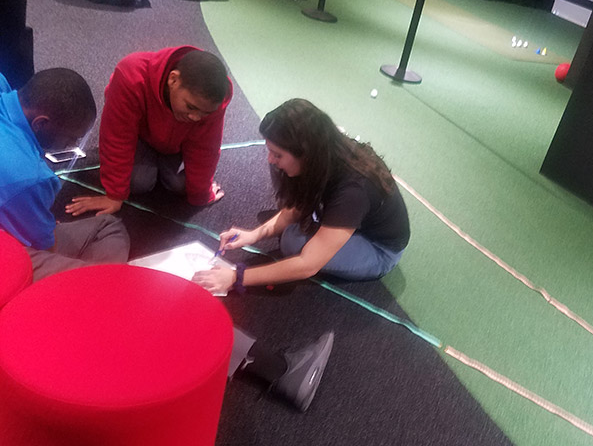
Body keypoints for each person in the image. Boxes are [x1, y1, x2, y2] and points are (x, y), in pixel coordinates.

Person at [191, 98, 410, 294]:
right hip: (353, 218)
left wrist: (236, 277)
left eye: (277, 153)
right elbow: (295, 207)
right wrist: (254, 235)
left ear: (306, 153)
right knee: (282, 174)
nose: (269, 159)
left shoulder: (354, 189)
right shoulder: (323, 155)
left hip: (379, 249)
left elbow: (308, 264)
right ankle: (322, 224)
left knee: (293, 241)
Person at [64, 46, 232, 217]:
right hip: (140, 136)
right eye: (191, 107)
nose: (196, 118)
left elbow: (205, 149)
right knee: (139, 182)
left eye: (205, 113)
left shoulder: (210, 101)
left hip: (175, 145)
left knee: (181, 187)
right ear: (173, 79)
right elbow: (117, 137)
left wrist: (202, 195)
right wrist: (114, 195)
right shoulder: (131, 75)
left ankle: (158, 167)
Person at [0, 68, 130, 280]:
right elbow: (47, 247)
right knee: (108, 231)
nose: (73, 144)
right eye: (71, 137)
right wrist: (43, 229)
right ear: (41, 123)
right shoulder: (30, 177)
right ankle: (96, 294)